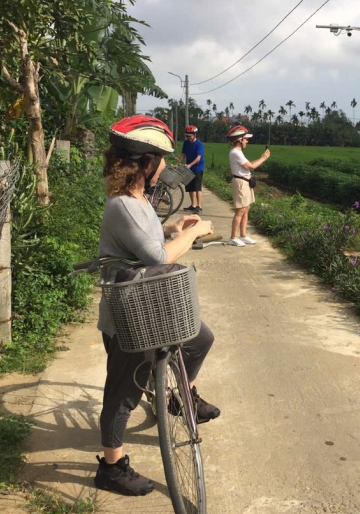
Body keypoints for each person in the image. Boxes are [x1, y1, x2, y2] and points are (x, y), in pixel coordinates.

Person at [94, 115, 221, 496]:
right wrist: (196, 232)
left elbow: (148, 239)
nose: (166, 167)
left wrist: (172, 228)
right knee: (123, 391)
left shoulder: (138, 201)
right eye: (161, 159)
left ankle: (184, 397)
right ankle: (111, 467)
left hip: (154, 302)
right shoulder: (123, 204)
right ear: (145, 162)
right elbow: (156, 258)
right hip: (131, 313)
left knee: (200, 338)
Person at [227, 125, 270, 247]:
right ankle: (233, 237)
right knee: (240, 210)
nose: (247, 141)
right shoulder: (236, 153)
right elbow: (250, 166)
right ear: (239, 140)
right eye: (245, 139)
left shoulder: (238, 152)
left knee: (246, 209)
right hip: (241, 182)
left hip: (245, 181)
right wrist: (263, 158)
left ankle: (243, 235)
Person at [181, 125, 205, 213]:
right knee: (190, 188)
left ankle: (199, 206)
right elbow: (183, 154)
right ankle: (193, 205)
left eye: (190, 136)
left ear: (195, 135)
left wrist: (190, 165)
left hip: (197, 168)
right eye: (187, 136)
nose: (188, 138)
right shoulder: (186, 143)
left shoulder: (199, 144)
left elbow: (198, 158)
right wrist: (178, 163)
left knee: (197, 187)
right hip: (189, 168)